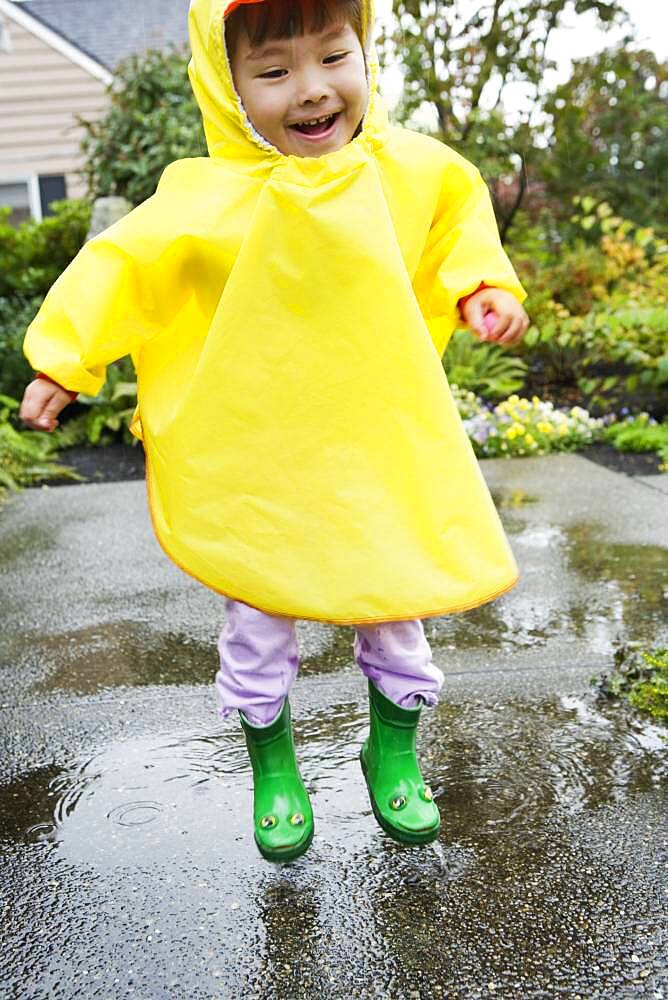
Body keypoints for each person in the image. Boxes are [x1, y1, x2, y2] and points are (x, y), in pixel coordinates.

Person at [19, 0, 529, 863]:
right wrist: (64, 361)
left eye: (334, 55)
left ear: (363, 51)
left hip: (378, 446)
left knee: (397, 602)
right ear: (226, 85)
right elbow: (123, 268)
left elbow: (457, 217)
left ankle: (393, 753)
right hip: (259, 455)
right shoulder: (207, 199)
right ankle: (275, 764)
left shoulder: (407, 170)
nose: (312, 90)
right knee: (259, 614)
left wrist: (482, 284)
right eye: (273, 71)